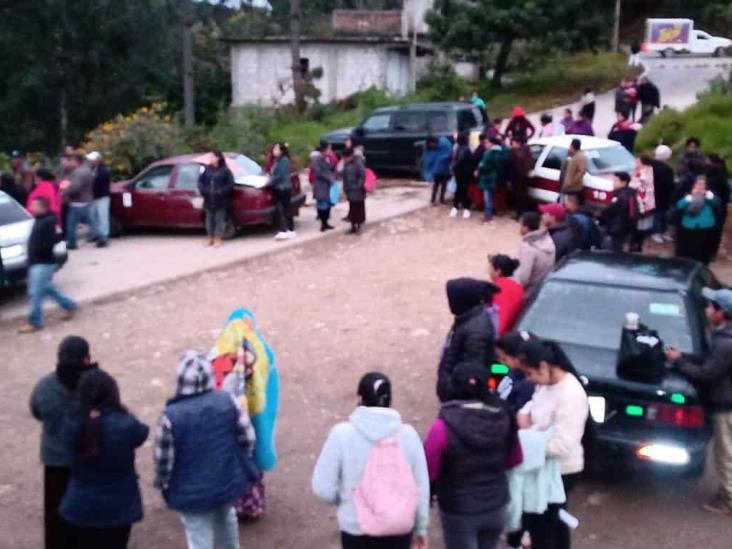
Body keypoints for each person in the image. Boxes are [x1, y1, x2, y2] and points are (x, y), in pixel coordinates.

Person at [312, 372, 430, 549]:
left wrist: (345, 500)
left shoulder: (341, 434)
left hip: (356, 529)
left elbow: (323, 487)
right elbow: (420, 488)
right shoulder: (408, 436)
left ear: (359, 398)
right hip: (398, 529)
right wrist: (420, 528)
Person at [154, 351, 257, 549]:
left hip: (190, 491)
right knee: (227, 518)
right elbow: (248, 438)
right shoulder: (228, 401)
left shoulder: (170, 416)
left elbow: (164, 460)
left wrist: (163, 483)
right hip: (226, 479)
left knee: (198, 536)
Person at [425, 363, 522, 549]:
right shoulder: (505, 416)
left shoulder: (443, 425)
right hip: (496, 503)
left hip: (459, 509)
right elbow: (514, 459)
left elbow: (429, 469)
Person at [59, 369, 148, 549]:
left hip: (81, 504)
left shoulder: (71, 424)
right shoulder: (125, 424)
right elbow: (142, 432)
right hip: (118, 507)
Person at [665, 288, 732, 515]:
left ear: (721, 313)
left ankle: (728, 499)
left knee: (725, 455)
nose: (706, 309)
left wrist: (679, 363)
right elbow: (707, 359)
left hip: (726, 408)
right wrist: (683, 356)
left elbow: (707, 373)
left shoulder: (725, 343)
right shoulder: (723, 337)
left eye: (711, 306)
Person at [518, 339, 589, 549]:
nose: (530, 380)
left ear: (543, 366)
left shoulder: (570, 394)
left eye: (530, 373)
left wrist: (525, 441)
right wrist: (524, 414)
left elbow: (563, 444)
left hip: (561, 470)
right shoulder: (546, 384)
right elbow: (535, 404)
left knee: (544, 527)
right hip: (544, 466)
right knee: (553, 524)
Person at [30, 336, 97, 549]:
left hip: (55, 457)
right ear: (86, 358)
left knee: (55, 509)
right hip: (85, 456)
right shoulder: (94, 383)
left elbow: (36, 411)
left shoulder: (45, 386)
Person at [19, 197, 77, 333]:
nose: (32, 208)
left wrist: (40, 249)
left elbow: (54, 239)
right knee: (46, 289)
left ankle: (35, 321)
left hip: (43, 262)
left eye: (35, 205)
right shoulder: (40, 220)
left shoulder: (48, 222)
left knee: (35, 293)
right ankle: (69, 305)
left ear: (43, 207)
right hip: (37, 261)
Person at [437, 278, 499, 402]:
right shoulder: (469, 317)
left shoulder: (476, 330)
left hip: (460, 395)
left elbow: (473, 373)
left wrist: (451, 389)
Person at [674, 175, 720, 264]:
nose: (700, 186)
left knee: (703, 252)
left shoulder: (710, 195)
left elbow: (717, 204)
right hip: (689, 226)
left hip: (705, 227)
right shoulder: (687, 195)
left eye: (702, 184)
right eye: (698, 184)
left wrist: (708, 196)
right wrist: (690, 197)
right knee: (688, 251)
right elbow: (679, 205)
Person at [62, 154, 101, 250]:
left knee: (71, 224)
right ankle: (101, 237)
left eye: (71, 160)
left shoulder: (78, 172)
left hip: (77, 202)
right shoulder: (87, 170)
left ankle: (72, 242)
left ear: (76, 161)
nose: (69, 163)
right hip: (87, 200)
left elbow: (75, 187)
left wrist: (65, 191)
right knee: (91, 222)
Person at [197, 151, 234, 248]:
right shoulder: (207, 169)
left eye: (212, 157)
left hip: (221, 200)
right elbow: (200, 182)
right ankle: (210, 237)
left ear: (218, 158)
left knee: (219, 219)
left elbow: (230, 185)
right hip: (208, 198)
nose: (210, 159)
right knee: (209, 219)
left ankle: (218, 238)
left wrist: (221, 191)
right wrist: (204, 191)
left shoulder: (225, 171)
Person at [514, 212, 556, 296]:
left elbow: (523, 279)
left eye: (521, 225)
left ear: (525, 227)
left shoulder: (528, 247)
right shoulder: (548, 239)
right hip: (543, 287)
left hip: (529, 293)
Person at [495, 331, 535, 414]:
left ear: (518, 357)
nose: (501, 362)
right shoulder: (512, 372)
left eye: (504, 359)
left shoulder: (527, 385)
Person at [599, 172, 638, 253]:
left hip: (618, 229)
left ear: (624, 182)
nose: (613, 183)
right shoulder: (631, 193)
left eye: (616, 180)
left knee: (615, 251)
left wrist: (601, 217)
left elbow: (611, 211)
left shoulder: (621, 197)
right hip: (629, 228)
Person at [488, 254, 525, 335]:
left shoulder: (497, 288)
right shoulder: (519, 288)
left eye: (490, 268)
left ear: (498, 271)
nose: (488, 271)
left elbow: (499, 323)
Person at [476, 136, 508, 223]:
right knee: (489, 197)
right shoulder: (499, 152)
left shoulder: (491, 153)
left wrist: (480, 167)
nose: (485, 144)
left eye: (487, 142)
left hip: (488, 178)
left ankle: (488, 216)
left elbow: (485, 164)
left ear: (492, 144)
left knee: (488, 198)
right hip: (493, 177)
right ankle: (488, 215)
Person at [649, 145, 676, 244]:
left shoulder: (650, 165)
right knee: (660, 214)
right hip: (663, 195)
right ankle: (657, 232)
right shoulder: (666, 169)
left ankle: (659, 231)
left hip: (652, 193)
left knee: (657, 213)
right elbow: (668, 184)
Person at [269, 142, 296, 241]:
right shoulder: (277, 160)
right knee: (286, 209)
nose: (274, 151)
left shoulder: (284, 161)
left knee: (283, 209)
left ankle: (284, 230)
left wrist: (269, 181)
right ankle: (289, 229)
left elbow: (280, 175)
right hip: (281, 187)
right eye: (274, 149)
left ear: (281, 150)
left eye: (276, 149)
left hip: (282, 188)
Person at [706, 154, 730, 259]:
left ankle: (707, 250)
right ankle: (712, 251)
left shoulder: (710, 180)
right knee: (716, 230)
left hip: (711, 207)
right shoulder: (723, 177)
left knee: (709, 229)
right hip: (721, 208)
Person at [87, 151, 111, 248]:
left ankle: (104, 236)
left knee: (102, 217)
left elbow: (97, 182)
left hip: (102, 197)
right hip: (93, 196)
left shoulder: (104, 170)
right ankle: (95, 234)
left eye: (92, 160)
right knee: (92, 216)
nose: (90, 162)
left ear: (97, 160)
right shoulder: (91, 169)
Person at [311, 142, 337, 232]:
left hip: (328, 185)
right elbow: (318, 172)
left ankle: (326, 222)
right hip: (321, 184)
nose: (330, 151)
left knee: (328, 204)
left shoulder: (328, 158)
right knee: (322, 204)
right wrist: (329, 178)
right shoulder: (317, 159)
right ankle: (323, 223)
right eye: (329, 149)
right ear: (324, 150)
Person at [341, 147, 366, 235]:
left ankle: (359, 226)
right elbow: (344, 176)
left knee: (359, 208)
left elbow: (362, 176)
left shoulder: (358, 163)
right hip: (349, 190)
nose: (345, 159)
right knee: (352, 209)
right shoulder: (346, 164)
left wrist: (357, 186)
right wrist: (344, 187)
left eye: (346, 157)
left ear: (351, 156)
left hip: (358, 191)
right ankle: (352, 226)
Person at [422, 135, 452, 206]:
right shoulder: (428, 149)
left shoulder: (444, 145)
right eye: (431, 144)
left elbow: (449, 153)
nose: (433, 145)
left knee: (444, 185)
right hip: (436, 171)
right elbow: (427, 159)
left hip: (444, 170)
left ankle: (442, 199)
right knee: (436, 185)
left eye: (434, 143)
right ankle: (433, 200)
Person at [508, 138, 533, 218]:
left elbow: (524, 163)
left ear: (518, 143)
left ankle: (520, 214)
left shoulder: (523, 152)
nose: (512, 145)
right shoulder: (521, 151)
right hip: (518, 178)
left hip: (521, 178)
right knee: (520, 197)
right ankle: (520, 213)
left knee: (521, 197)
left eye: (513, 143)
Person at [451, 132, 474, 218]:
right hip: (465, 173)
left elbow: (459, 160)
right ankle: (464, 208)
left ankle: (458, 207)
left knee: (460, 190)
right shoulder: (466, 148)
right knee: (463, 190)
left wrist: (453, 168)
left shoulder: (461, 149)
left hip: (461, 172)